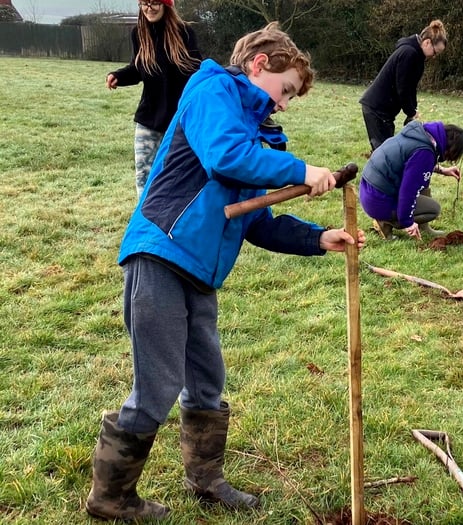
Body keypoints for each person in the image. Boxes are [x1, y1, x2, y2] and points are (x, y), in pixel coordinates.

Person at [86, 22, 365, 522]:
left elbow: (256, 218)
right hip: (161, 254)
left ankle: (207, 479)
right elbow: (223, 157)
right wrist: (302, 171)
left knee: (207, 381)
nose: (284, 103)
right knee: (158, 385)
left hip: (201, 273)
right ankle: (111, 497)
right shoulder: (212, 90)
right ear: (260, 64)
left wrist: (317, 238)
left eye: (292, 98)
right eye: (285, 91)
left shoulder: (260, 135)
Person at [106, 0, 202, 198]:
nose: (149, 8)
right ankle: (145, 222)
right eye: (144, 3)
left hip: (179, 122)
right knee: (144, 176)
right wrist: (119, 76)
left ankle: (174, 222)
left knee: (178, 175)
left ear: (166, 4)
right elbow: (137, 67)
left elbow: (196, 69)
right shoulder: (138, 34)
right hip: (148, 119)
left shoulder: (184, 33)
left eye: (154, 2)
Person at [359, 120, 463, 240]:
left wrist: (442, 170)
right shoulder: (424, 152)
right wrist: (407, 222)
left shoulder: (419, 134)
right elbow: (408, 191)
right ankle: (385, 222)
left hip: (368, 191)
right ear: (450, 149)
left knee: (422, 179)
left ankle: (423, 227)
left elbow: (409, 163)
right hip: (379, 201)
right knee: (433, 209)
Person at [359, 20, 448, 151]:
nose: (434, 57)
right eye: (435, 52)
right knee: (383, 154)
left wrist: (413, 109)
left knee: (385, 152)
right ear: (427, 42)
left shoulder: (416, 56)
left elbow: (411, 88)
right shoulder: (409, 53)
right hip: (376, 108)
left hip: (384, 110)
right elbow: (403, 88)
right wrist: (410, 111)